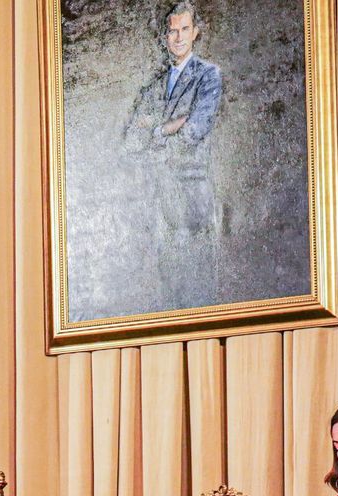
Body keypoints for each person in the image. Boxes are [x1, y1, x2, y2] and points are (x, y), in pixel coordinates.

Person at [123, 0, 224, 308]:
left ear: (195, 33)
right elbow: (129, 141)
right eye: (172, 31)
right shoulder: (153, 87)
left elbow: (195, 129)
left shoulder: (209, 76)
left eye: (184, 30)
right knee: (167, 290)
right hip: (158, 199)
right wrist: (164, 129)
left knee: (198, 284)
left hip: (192, 193)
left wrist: (155, 133)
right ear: (164, 37)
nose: (178, 37)